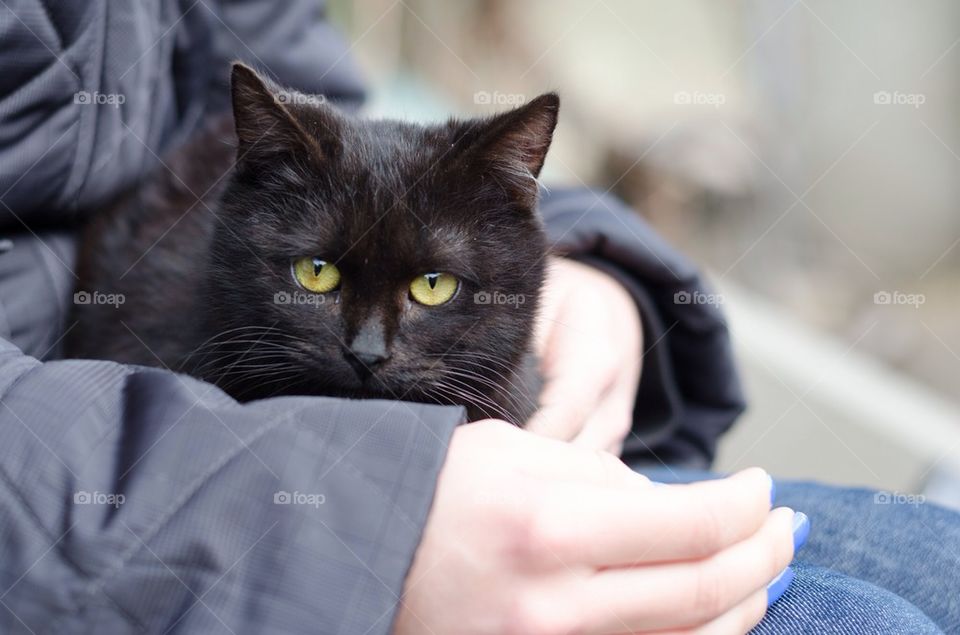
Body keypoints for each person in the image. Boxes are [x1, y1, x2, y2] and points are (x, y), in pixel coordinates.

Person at [0, 1, 956, 633]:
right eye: (319, 277)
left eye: (425, 293)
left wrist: (587, 267)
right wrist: (361, 535)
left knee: (939, 566)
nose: (370, 349)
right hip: (127, 496)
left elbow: (319, 100)